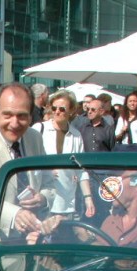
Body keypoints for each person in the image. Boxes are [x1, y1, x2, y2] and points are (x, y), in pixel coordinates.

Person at [0, 82, 55, 237]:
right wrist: (15, 215)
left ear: (31, 116)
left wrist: (43, 198)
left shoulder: (34, 138)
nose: (14, 124)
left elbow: (49, 181)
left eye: (22, 116)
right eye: (7, 115)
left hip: (34, 237)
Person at [32, 90, 94, 218]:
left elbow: (81, 170)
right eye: (54, 108)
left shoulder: (76, 135)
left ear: (71, 110)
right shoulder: (39, 129)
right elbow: (28, 160)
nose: (57, 111)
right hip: (42, 200)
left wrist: (88, 198)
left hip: (67, 202)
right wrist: (46, 170)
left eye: (62, 109)